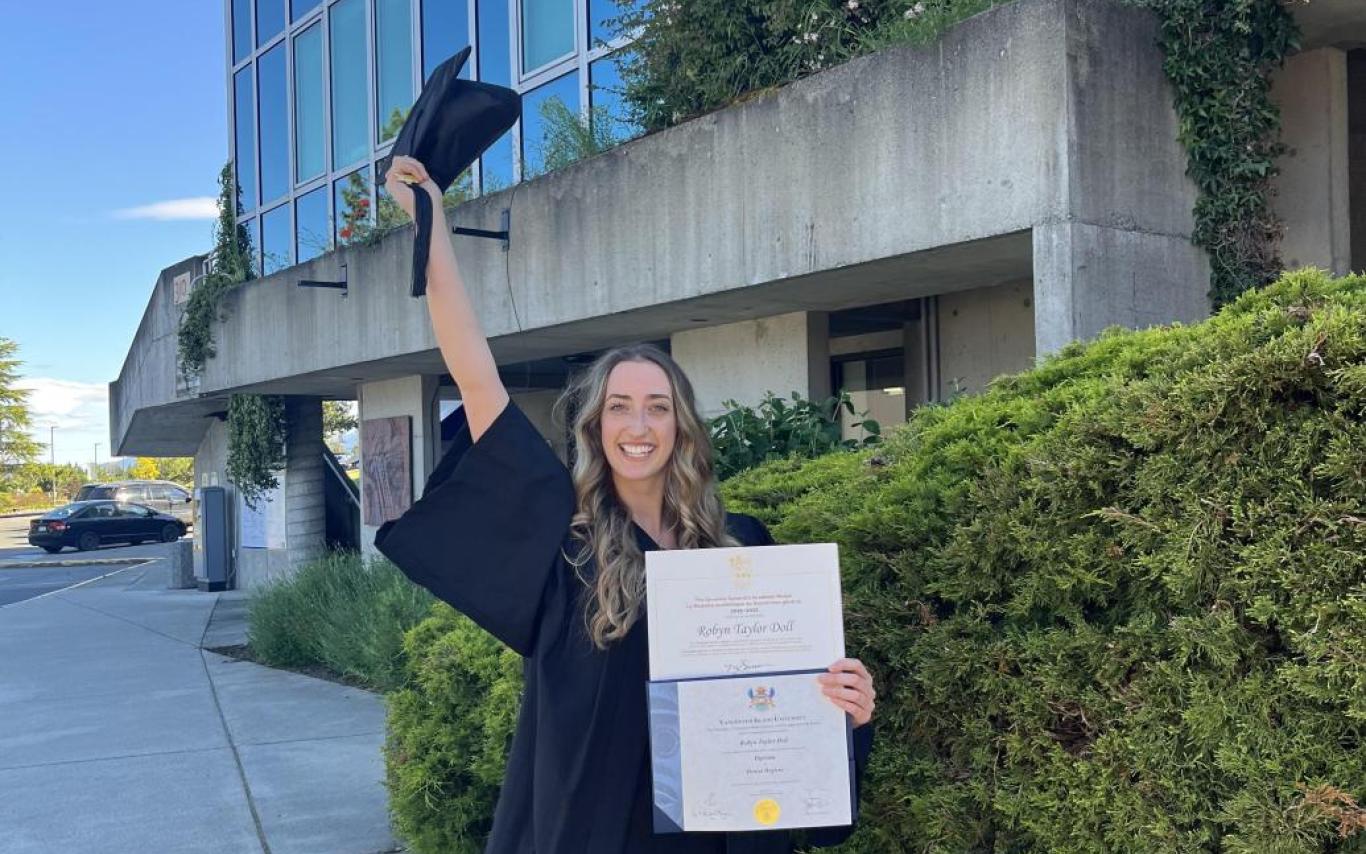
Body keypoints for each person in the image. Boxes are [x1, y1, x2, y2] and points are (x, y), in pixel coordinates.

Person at [375, 155, 877, 854]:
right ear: (596, 427)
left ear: (681, 427)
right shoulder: (562, 545)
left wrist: (847, 711)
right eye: (619, 408)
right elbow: (478, 378)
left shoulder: (742, 551)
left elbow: (787, 713)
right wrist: (431, 228)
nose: (638, 427)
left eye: (656, 408)